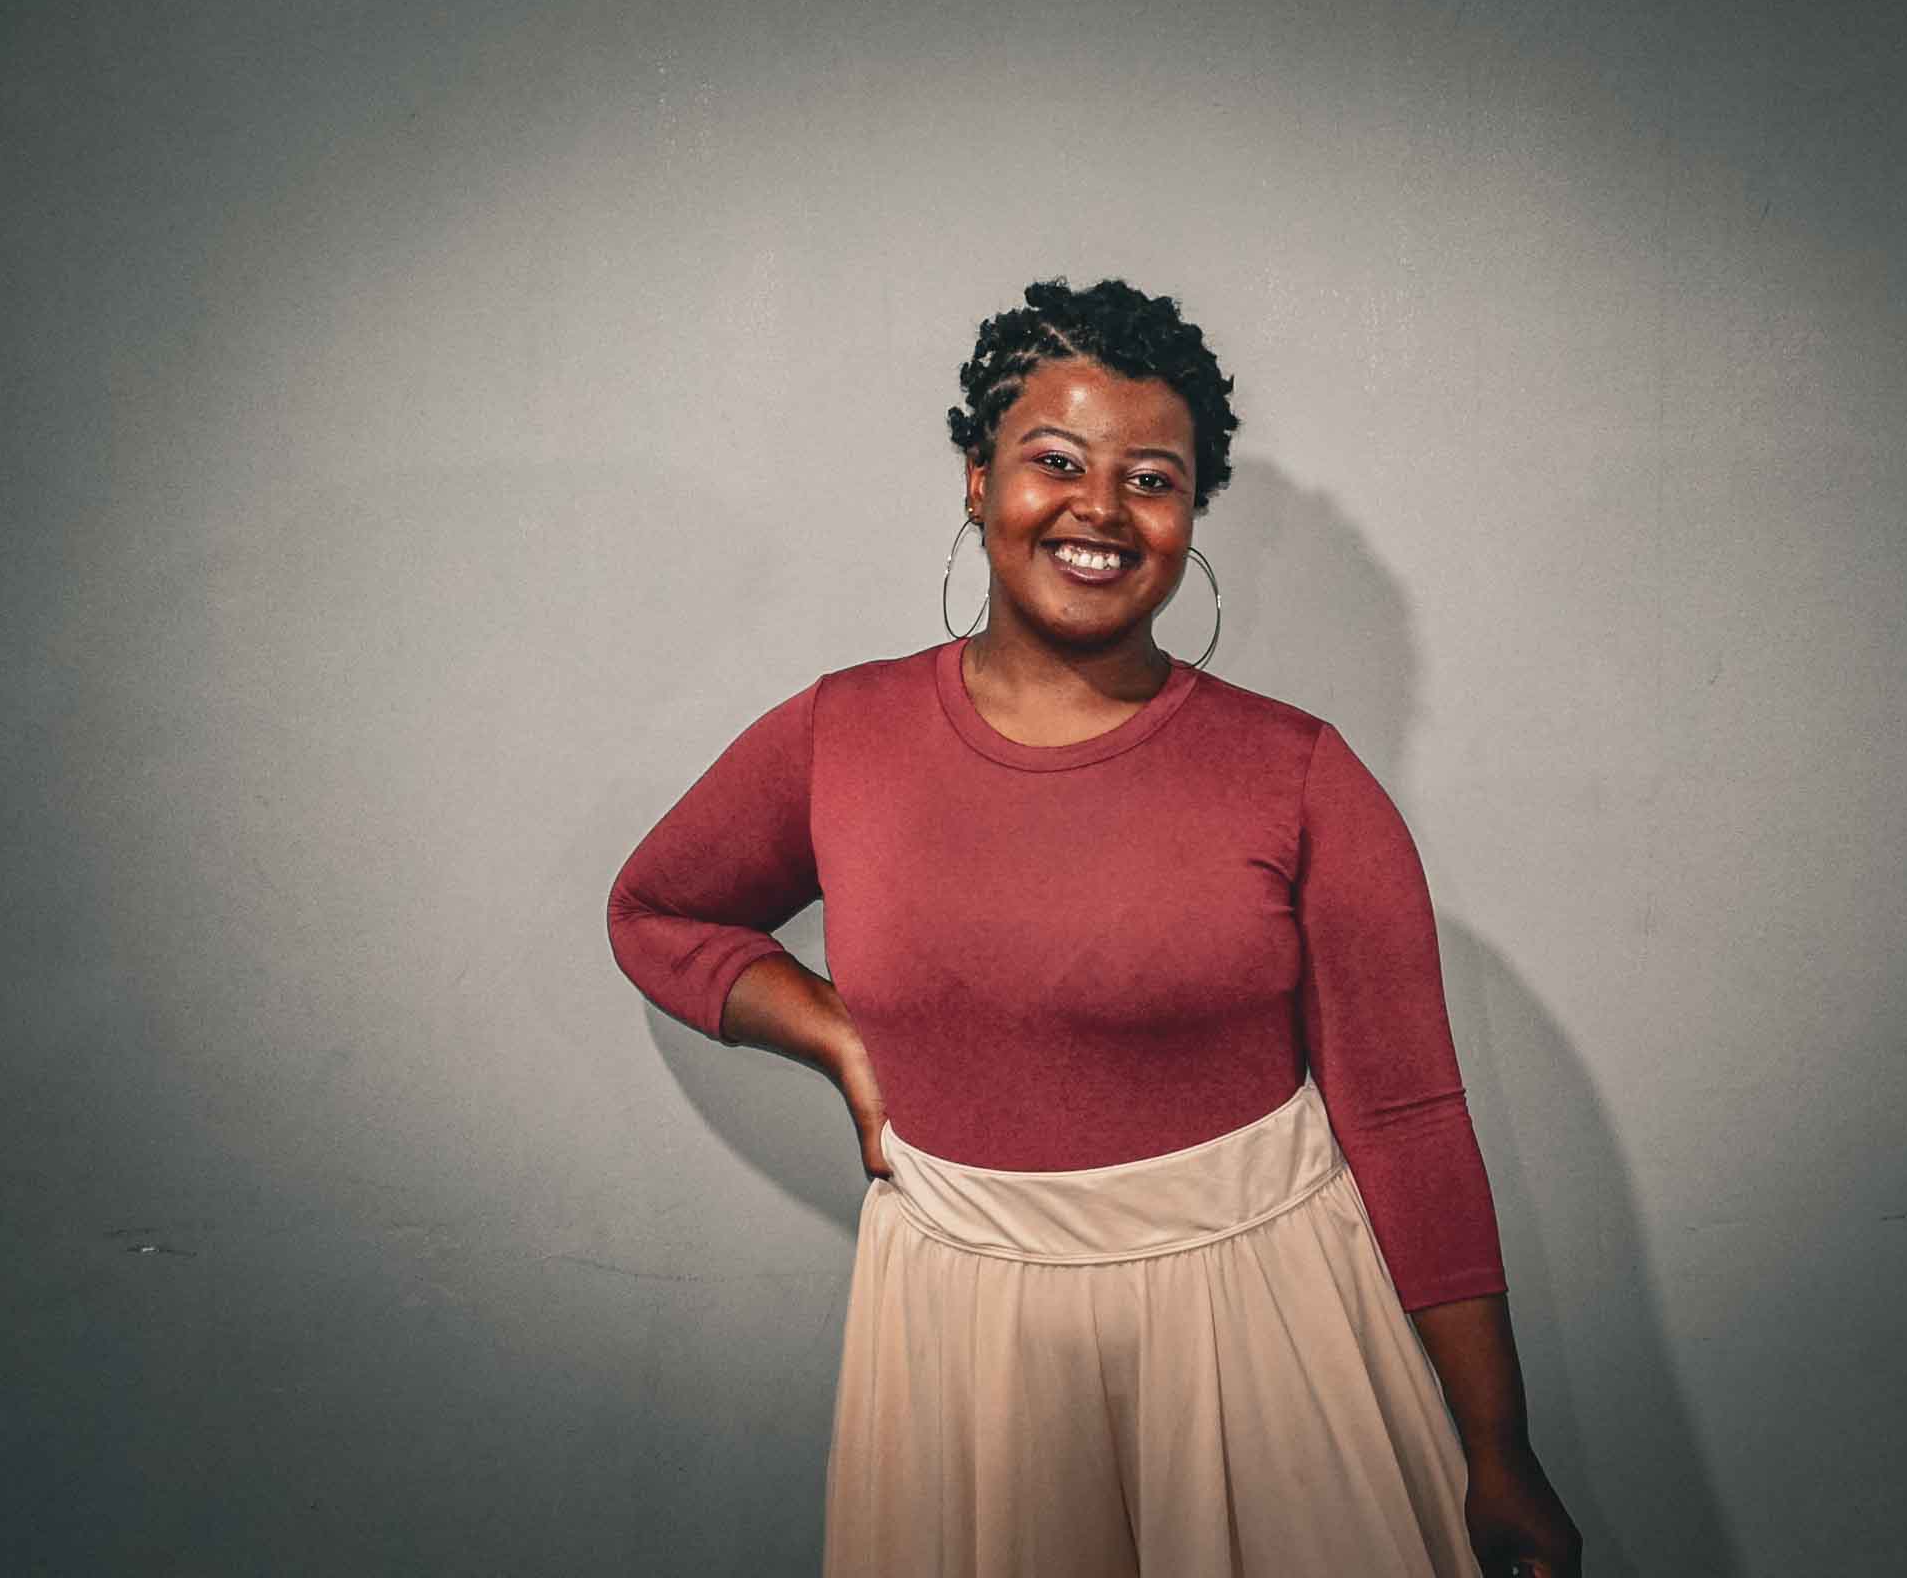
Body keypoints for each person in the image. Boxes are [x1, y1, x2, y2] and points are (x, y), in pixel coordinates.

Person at [606, 278, 1581, 1577]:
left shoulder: (1301, 776)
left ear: (1191, 514)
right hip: (962, 1328)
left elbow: (1407, 1122)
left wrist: (1500, 1447)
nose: (1101, 509)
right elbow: (656, 911)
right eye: (1056, 461)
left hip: (1260, 1321)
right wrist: (837, 1036)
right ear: (979, 481)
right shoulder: (842, 737)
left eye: (1151, 479)